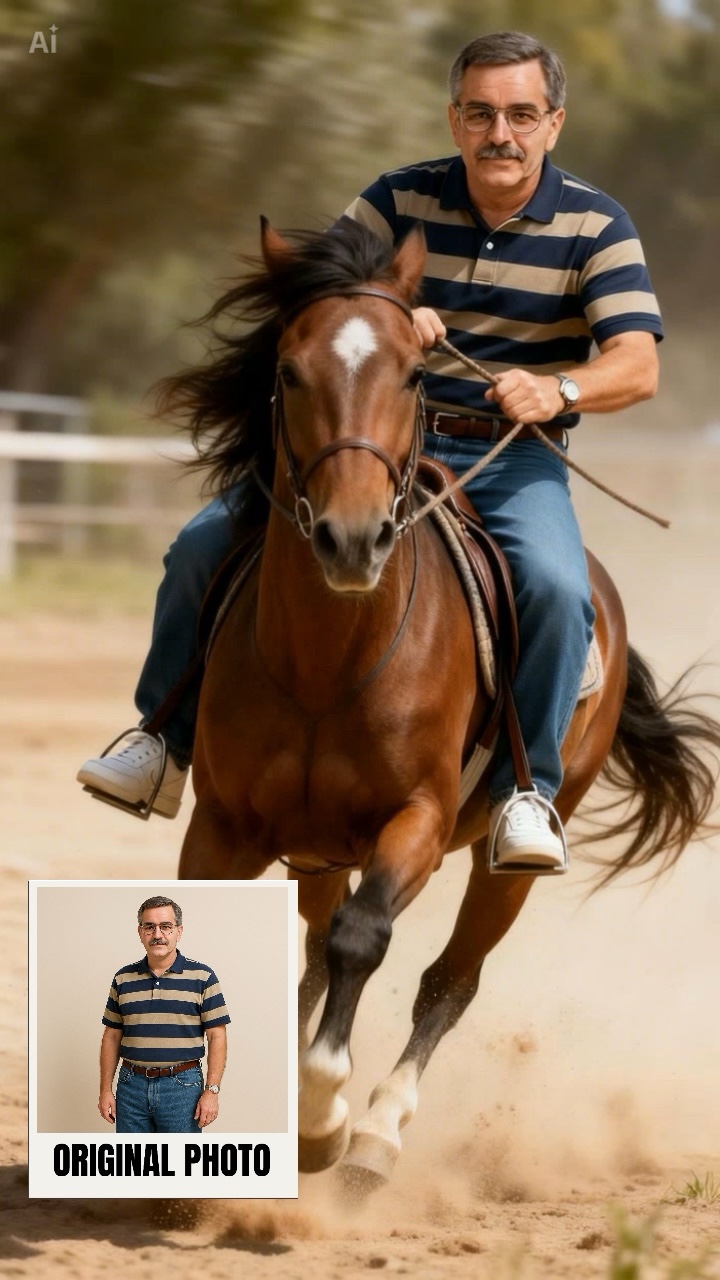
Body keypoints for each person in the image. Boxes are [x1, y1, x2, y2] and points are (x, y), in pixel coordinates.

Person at [78, 30, 662, 871]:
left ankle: (525, 793)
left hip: (510, 454)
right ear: (454, 119)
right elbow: (324, 300)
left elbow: (637, 364)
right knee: (198, 547)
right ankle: (160, 742)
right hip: (370, 434)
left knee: (557, 586)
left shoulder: (598, 224)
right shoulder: (396, 198)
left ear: (554, 123)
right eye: (480, 113)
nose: (500, 133)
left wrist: (558, 390)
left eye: (521, 115)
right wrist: (387, 307)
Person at [98, 895, 230, 1133]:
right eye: (149, 927)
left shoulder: (203, 977)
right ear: (140, 932)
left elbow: (217, 1036)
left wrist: (212, 1092)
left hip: (183, 1087)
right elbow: (112, 1036)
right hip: (130, 1087)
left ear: (179, 931)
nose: (157, 934)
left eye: (166, 926)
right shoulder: (123, 978)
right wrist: (105, 1090)